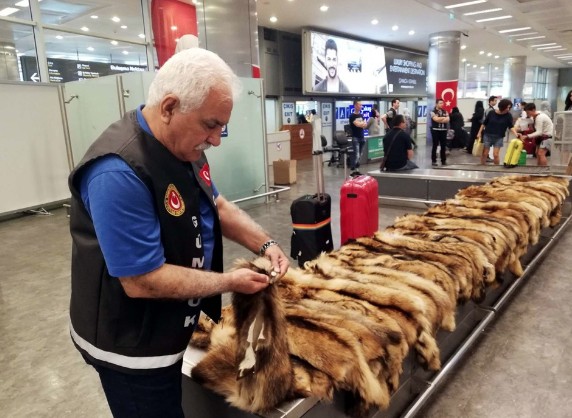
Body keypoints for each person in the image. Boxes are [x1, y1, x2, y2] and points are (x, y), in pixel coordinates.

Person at [67, 48, 290, 418]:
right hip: (131, 344)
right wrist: (229, 281)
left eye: (222, 127)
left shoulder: (183, 145)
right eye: (211, 125)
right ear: (169, 107)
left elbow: (215, 204)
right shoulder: (117, 172)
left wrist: (265, 243)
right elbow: (142, 280)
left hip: (168, 325)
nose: (216, 140)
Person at [476, 98, 518, 165]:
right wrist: (479, 133)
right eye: (506, 107)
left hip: (499, 137)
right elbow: (484, 123)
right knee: (485, 153)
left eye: (509, 108)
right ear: (502, 106)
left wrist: (516, 133)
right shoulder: (491, 113)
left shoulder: (508, 115)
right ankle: (482, 166)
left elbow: (510, 126)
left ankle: (497, 168)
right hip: (488, 135)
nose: (508, 109)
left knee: (495, 154)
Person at [430, 98, 450, 166]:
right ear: (436, 104)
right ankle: (433, 160)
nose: (442, 104)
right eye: (440, 103)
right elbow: (435, 119)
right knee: (435, 145)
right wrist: (443, 118)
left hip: (443, 130)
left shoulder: (445, 111)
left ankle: (443, 160)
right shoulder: (433, 112)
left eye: (442, 103)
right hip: (435, 130)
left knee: (443, 146)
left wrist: (440, 118)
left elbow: (447, 119)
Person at [349, 100, 367, 172]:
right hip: (355, 137)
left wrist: (362, 124)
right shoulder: (352, 116)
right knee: (357, 154)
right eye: (359, 105)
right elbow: (358, 125)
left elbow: (365, 125)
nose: (361, 106)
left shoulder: (361, 115)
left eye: (361, 105)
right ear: (355, 105)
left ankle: (356, 167)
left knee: (360, 153)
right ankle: (355, 169)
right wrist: (361, 124)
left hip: (362, 137)